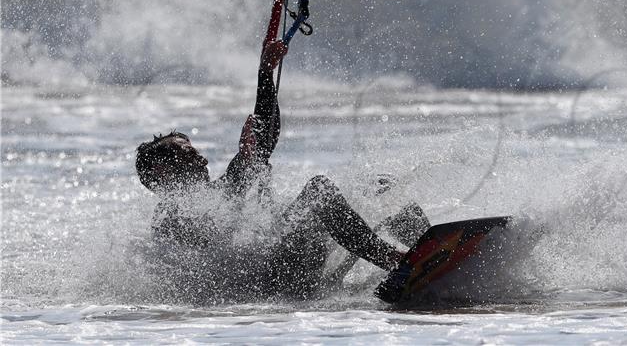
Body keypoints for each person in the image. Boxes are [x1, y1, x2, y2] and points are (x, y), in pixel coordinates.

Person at [135, 36, 429, 301]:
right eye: (190, 155)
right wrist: (248, 161)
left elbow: (265, 136)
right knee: (319, 191)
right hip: (274, 283)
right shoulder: (169, 220)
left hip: (292, 263)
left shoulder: (220, 189)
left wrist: (265, 74)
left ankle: (437, 250)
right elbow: (212, 249)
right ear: (163, 170)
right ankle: (401, 263)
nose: (203, 161)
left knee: (376, 186)